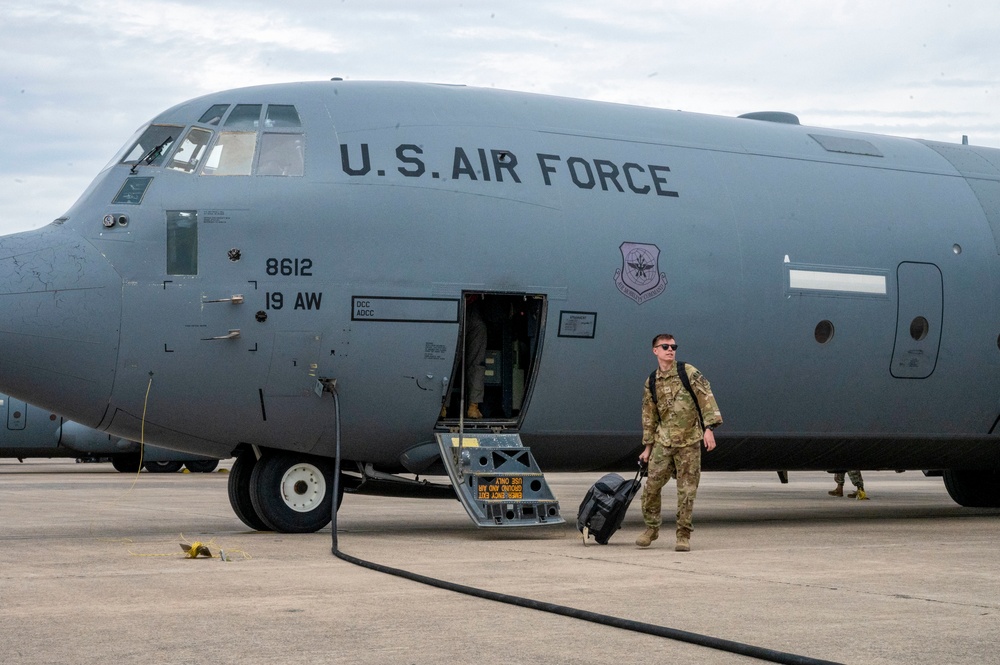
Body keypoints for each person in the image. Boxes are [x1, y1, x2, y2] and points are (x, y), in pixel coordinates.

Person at [637, 334, 722, 552]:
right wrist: (647, 447)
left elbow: (706, 398)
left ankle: (683, 535)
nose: (670, 350)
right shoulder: (652, 381)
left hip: (689, 441)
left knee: (686, 491)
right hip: (663, 441)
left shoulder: (688, 372)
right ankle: (651, 529)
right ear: (655, 350)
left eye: (673, 346)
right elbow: (649, 415)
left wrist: (709, 429)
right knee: (652, 487)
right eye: (665, 346)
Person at [464, 294, 487, 419]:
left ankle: (443, 407)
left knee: (449, 362)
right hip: (476, 315)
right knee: (477, 363)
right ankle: (473, 407)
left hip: (457, 308)